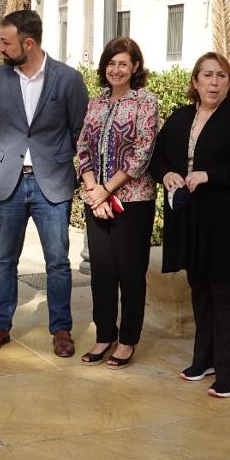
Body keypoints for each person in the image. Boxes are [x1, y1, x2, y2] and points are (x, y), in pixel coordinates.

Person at [149, 52, 230, 397]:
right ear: (195, 81)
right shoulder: (181, 117)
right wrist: (167, 173)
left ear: (229, 82)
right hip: (189, 218)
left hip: (229, 218)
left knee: (226, 289)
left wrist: (210, 175)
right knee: (199, 286)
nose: (214, 82)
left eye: (221, 76)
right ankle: (205, 358)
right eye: (207, 75)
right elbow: (157, 157)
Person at [0, 9, 88, 357]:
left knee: (57, 261)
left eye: (6, 42)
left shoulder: (68, 79)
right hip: (9, 182)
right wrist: (12, 154)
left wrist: (51, 157)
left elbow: (79, 132)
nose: (0, 48)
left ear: (28, 43)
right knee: (4, 260)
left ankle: (61, 329)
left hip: (52, 184)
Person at [75, 37, 158, 368]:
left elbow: (143, 150)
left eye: (123, 63)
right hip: (97, 200)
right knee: (102, 274)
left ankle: (127, 340)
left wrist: (107, 190)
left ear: (135, 67)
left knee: (130, 273)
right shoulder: (96, 103)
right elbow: (82, 145)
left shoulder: (145, 102)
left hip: (133, 201)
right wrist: (94, 190)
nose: (116, 69)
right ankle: (104, 335)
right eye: (111, 63)